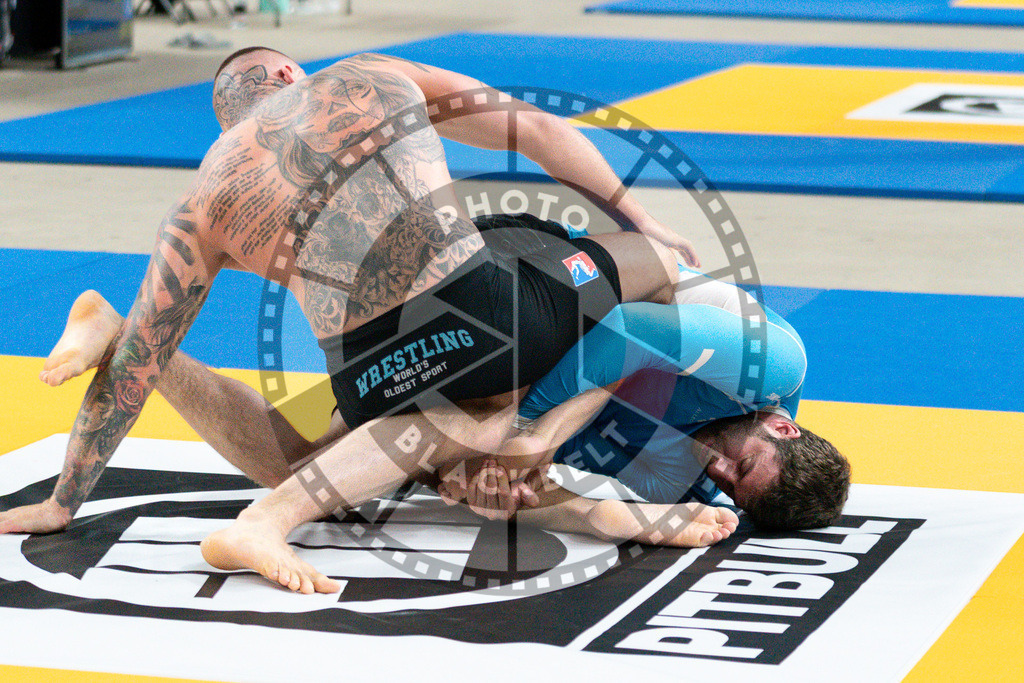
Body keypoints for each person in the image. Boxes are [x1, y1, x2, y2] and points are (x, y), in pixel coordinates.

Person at [0, 47, 712, 593]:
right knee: (658, 273)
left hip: (367, 370)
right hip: (481, 310)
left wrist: (65, 501)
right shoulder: (367, 75)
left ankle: (112, 327)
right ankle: (546, 462)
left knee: (319, 468)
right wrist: (639, 216)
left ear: (229, 120)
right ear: (289, 73)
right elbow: (534, 128)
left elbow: (142, 363)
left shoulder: (200, 201)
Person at [440, 257, 851, 531]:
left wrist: (507, 479)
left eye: (730, 490)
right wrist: (526, 428)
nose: (719, 471)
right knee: (492, 436)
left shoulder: (681, 484)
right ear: (783, 429)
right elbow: (629, 327)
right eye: (742, 466)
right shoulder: (774, 369)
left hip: (504, 370)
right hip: (551, 276)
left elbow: (564, 446)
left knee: (458, 463)